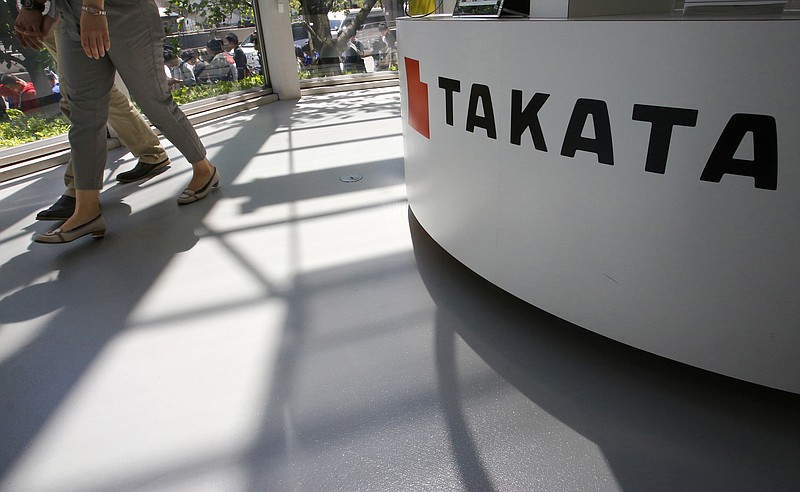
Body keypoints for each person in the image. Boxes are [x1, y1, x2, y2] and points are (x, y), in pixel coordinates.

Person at [15, 0, 220, 244]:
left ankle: (204, 169)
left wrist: (93, 9)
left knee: (154, 101)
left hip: (122, 10)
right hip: (71, 14)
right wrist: (34, 6)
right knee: (83, 114)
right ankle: (87, 210)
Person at [34, 18, 172, 221]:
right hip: (56, 17)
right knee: (96, 92)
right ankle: (150, 152)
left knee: (79, 96)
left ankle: (79, 189)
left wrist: (35, 9)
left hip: (65, 15)